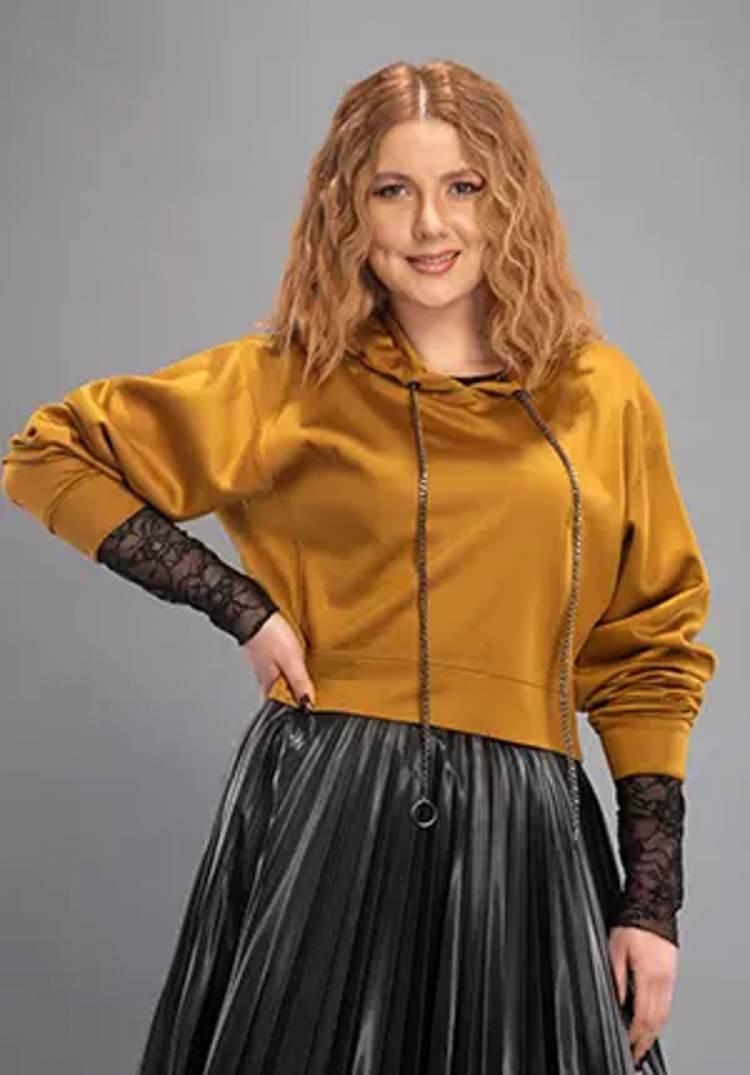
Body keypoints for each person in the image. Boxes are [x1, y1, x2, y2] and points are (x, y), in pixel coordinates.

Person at [1, 59, 717, 1075]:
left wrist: (651, 903)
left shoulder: (602, 394)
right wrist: (239, 605)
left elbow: (648, 650)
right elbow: (47, 455)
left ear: (508, 198)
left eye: (462, 185)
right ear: (349, 209)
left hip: (529, 832)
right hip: (332, 807)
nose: (430, 224)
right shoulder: (290, 379)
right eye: (392, 189)